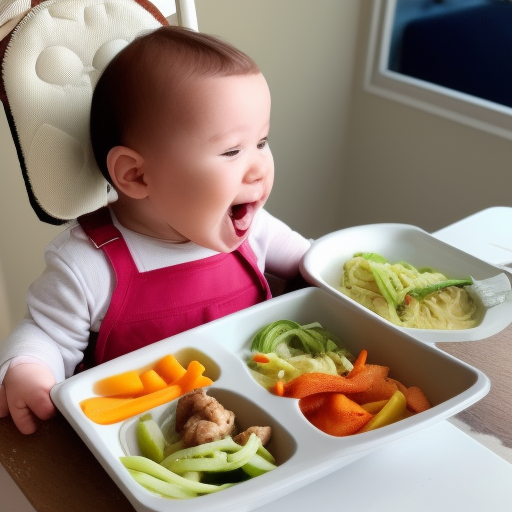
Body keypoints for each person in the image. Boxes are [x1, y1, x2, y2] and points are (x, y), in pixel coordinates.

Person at [0, 26, 310, 434]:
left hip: (264, 413)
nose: (258, 168)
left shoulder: (254, 230)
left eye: (262, 143)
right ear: (136, 175)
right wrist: (28, 370)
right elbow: (46, 333)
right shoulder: (88, 265)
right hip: (141, 437)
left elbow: (314, 263)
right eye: (232, 151)